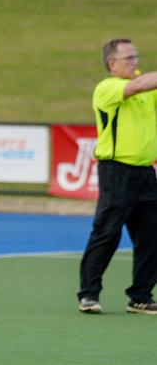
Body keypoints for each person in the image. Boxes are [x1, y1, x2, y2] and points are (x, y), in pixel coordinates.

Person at [78, 38, 157, 315]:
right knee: (107, 233)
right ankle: (89, 294)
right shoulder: (108, 88)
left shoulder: (148, 90)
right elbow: (138, 85)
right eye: (129, 58)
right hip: (117, 171)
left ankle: (140, 296)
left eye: (137, 57)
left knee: (152, 235)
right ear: (112, 64)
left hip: (146, 172)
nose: (136, 62)